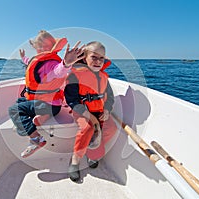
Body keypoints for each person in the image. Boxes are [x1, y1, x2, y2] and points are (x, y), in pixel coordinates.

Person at [8, 30, 85, 158]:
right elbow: (29, 61)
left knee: (14, 110)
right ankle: (43, 116)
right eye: (39, 46)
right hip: (51, 104)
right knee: (20, 101)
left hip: (47, 104)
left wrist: (66, 64)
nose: (41, 48)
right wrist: (23, 57)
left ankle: (36, 139)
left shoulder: (51, 63)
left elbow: (58, 71)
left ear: (52, 47)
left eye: (45, 46)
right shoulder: (39, 60)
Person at [64, 41, 118, 182]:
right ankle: (75, 160)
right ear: (85, 58)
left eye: (102, 58)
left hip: (99, 111)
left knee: (111, 128)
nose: (98, 61)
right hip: (81, 111)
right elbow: (72, 100)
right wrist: (91, 118)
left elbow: (110, 97)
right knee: (88, 128)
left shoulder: (104, 78)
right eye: (94, 57)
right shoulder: (75, 76)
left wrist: (107, 109)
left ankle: (91, 151)